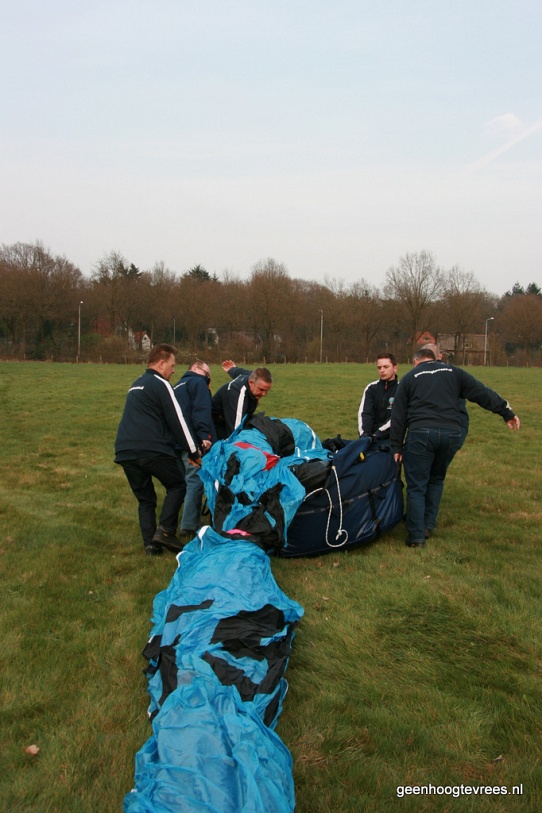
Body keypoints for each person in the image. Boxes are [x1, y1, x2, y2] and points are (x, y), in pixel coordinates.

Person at [390, 348, 520, 548]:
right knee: (436, 479)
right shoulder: (454, 372)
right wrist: (506, 412)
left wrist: (396, 446)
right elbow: (481, 392)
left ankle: (416, 537)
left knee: (417, 485)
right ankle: (428, 525)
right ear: (435, 359)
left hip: (421, 434)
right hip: (450, 433)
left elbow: (398, 415)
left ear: (416, 361)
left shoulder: (410, 377)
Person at [114, 344, 201, 556]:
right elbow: (178, 421)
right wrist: (194, 452)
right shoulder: (161, 384)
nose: (174, 371)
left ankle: (151, 547)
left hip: (125, 451)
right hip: (151, 449)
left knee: (146, 499)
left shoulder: (136, 385)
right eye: (172, 365)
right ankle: (165, 531)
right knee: (177, 484)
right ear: (161, 364)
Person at [173, 360, 216, 542]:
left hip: (174, 442)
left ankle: (173, 521)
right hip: (191, 442)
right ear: (196, 369)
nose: (208, 379)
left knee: (182, 483)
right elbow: (201, 411)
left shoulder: (177, 386)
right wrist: (204, 435)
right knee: (195, 481)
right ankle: (189, 526)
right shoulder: (198, 383)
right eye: (207, 374)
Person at [422, 342, 469, 446]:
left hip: (424, 430)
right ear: (440, 356)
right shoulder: (455, 373)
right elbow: (479, 392)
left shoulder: (415, 376)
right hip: (454, 428)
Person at [211, 360, 273, 439]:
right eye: (261, 389)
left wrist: (232, 369)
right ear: (251, 382)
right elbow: (235, 430)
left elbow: (239, 372)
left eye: (267, 390)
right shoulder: (237, 395)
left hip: (231, 417)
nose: (264, 394)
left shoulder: (252, 376)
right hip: (216, 422)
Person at [358, 353, 398, 439]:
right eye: (379, 368)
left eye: (386, 367)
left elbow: (397, 417)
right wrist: (365, 435)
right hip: (369, 437)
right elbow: (365, 413)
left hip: (391, 439)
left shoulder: (401, 389)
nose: (382, 370)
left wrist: (378, 434)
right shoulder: (371, 388)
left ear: (395, 368)